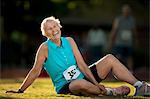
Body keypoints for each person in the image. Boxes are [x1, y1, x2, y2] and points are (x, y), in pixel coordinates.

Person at [6, 16, 149, 96]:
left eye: (55, 26)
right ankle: (111, 92)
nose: (54, 30)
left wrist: (94, 82)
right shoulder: (44, 48)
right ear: (45, 33)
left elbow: (82, 65)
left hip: (84, 76)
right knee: (78, 83)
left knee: (110, 58)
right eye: (49, 29)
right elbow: (35, 71)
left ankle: (140, 86)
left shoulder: (70, 41)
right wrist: (20, 90)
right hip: (68, 85)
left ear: (59, 26)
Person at [109, 4, 137, 71]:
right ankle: (117, 71)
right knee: (118, 57)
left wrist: (136, 40)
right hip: (120, 42)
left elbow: (134, 31)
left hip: (128, 43)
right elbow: (114, 30)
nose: (126, 11)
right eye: (125, 10)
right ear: (123, 11)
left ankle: (131, 71)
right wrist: (111, 40)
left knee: (129, 57)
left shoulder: (132, 20)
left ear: (129, 11)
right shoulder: (118, 19)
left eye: (128, 10)